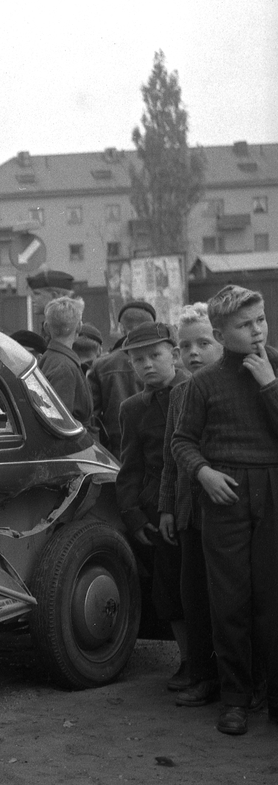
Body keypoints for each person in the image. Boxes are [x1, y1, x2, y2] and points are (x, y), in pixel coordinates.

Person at [171, 284, 278, 736]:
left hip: (273, 490)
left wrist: (269, 384)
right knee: (229, 601)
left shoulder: (275, 367)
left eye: (261, 320)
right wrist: (204, 473)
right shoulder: (203, 383)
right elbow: (182, 441)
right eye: (244, 325)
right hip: (225, 496)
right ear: (220, 334)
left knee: (273, 600)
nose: (257, 332)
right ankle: (235, 699)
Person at [114, 322, 188, 687]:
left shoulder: (196, 391)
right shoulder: (133, 409)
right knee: (170, 591)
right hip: (159, 514)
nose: (147, 365)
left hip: (200, 505)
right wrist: (134, 515)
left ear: (173, 354)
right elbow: (130, 467)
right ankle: (189, 661)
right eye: (138, 359)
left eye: (155, 355)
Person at [159, 303, 223, 708]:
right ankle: (202, 675)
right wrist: (167, 507)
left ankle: (243, 680)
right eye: (185, 346)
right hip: (189, 514)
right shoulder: (179, 393)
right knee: (194, 597)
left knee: (231, 601)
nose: (193, 353)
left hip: (228, 511)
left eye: (204, 343)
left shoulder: (237, 387)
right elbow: (171, 456)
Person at [88, 301, 157, 452]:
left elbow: (91, 414)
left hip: (117, 447)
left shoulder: (101, 365)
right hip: (158, 444)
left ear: (121, 328)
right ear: (152, 326)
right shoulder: (166, 361)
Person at [38, 296, 92, 426]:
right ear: (79, 326)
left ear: (46, 327)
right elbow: (59, 424)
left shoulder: (48, 358)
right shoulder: (65, 367)